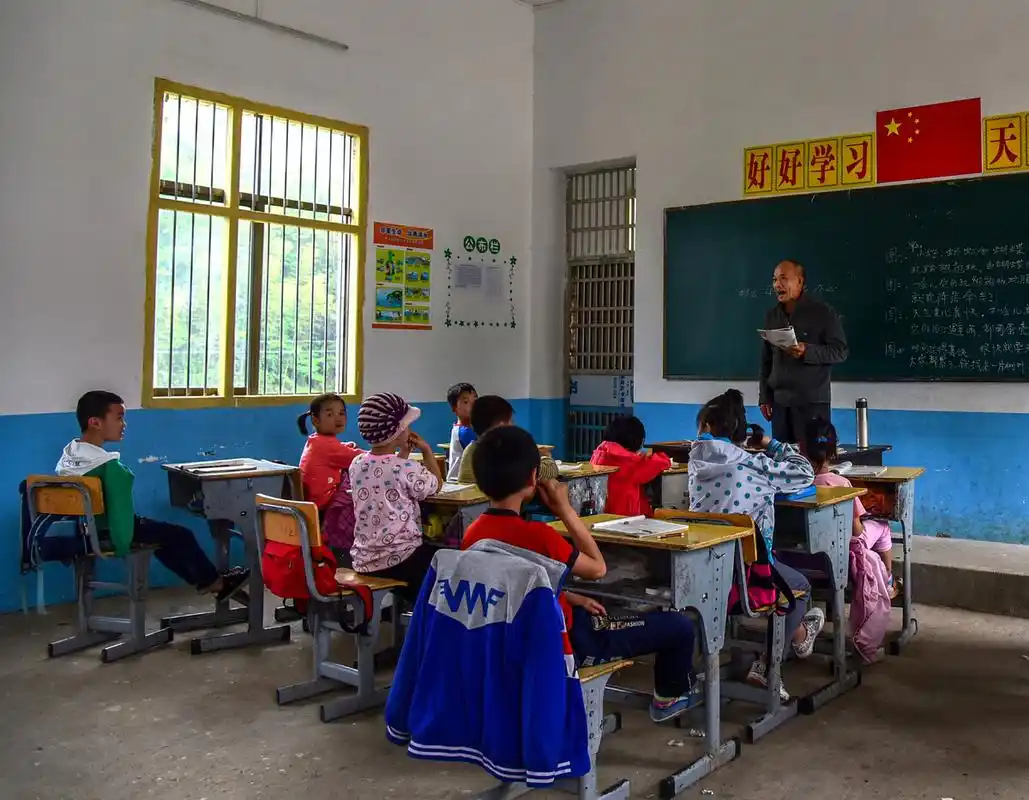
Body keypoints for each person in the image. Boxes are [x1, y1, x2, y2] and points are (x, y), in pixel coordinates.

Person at [464, 425, 701, 723]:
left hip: (509, 638)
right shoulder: (539, 535)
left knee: (602, 606)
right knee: (678, 626)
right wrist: (565, 510)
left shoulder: (473, 533)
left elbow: (513, 585)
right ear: (533, 479)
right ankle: (671, 697)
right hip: (568, 641)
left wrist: (567, 594)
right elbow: (597, 568)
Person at [688, 389, 823, 700]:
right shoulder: (753, 465)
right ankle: (767, 666)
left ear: (706, 426)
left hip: (703, 570)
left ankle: (788, 640)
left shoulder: (695, 461)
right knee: (799, 587)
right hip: (747, 578)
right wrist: (769, 444)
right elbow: (806, 473)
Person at [56, 391, 249, 601]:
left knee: (164, 538)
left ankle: (210, 582)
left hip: (82, 529)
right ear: (95, 422)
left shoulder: (69, 456)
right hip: (110, 530)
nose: (124, 424)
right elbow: (122, 517)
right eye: (119, 418)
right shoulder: (111, 469)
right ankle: (216, 583)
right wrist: (122, 546)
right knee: (181, 535)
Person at [350, 392, 442, 601]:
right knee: (440, 559)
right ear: (399, 431)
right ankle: (421, 619)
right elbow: (436, 485)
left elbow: (386, 476)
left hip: (363, 560)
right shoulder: (406, 468)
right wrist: (427, 451)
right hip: (401, 559)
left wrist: (403, 454)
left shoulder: (356, 463)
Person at [803, 418, 899, 599]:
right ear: (833, 452)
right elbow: (856, 531)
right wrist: (864, 519)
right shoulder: (842, 483)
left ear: (802, 449)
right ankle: (887, 581)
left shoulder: (798, 482)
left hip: (802, 556)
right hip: (839, 553)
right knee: (883, 526)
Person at [758, 259, 848, 443]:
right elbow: (766, 360)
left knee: (812, 462)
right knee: (783, 462)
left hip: (812, 404)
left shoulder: (822, 313)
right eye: (774, 279)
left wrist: (807, 351)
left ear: (800, 282)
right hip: (780, 403)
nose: (777, 284)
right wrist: (764, 397)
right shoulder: (772, 316)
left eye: (783, 278)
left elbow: (840, 351)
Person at [297, 393, 364, 566]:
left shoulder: (316, 441)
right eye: (329, 414)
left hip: (313, 507)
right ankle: (347, 556)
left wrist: (346, 447)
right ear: (315, 420)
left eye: (341, 413)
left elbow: (338, 450)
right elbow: (362, 460)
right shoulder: (326, 446)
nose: (338, 418)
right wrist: (384, 453)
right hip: (322, 511)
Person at [457, 394, 558, 484]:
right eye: (511, 421)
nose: (513, 426)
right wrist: (545, 456)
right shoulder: (503, 451)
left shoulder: (470, 449)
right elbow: (549, 470)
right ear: (501, 427)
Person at [589, 415, 671, 517]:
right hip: (623, 518)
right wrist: (661, 457)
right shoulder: (629, 461)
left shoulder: (599, 452)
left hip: (599, 514)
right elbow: (659, 463)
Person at [445, 382, 477, 481]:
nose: (473, 404)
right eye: (466, 402)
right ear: (454, 408)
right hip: (459, 484)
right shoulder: (465, 432)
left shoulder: (464, 428)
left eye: (475, 400)